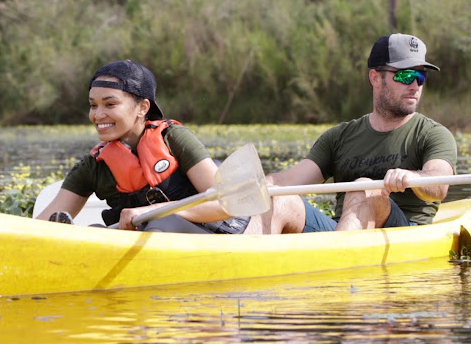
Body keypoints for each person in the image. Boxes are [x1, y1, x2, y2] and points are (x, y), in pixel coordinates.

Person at [247, 33, 457, 234]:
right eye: (405, 75)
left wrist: (413, 177)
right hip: (342, 231)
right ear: (375, 78)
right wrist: (257, 186)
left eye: (421, 76)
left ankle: (334, 262)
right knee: (280, 200)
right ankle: (238, 261)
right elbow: (286, 181)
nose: (414, 85)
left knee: (364, 189)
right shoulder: (338, 137)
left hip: (403, 234)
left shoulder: (433, 134)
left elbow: (439, 184)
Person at [35, 59, 251, 234]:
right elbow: (42, 225)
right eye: (93, 105)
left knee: (162, 225)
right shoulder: (93, 166)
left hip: (206, 236)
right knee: (94, 232)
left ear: (142, 107)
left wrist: (155, 210)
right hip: (144, 241)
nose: (98, 115)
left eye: (110, 104)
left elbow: (226, 204)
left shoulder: (174, 138)